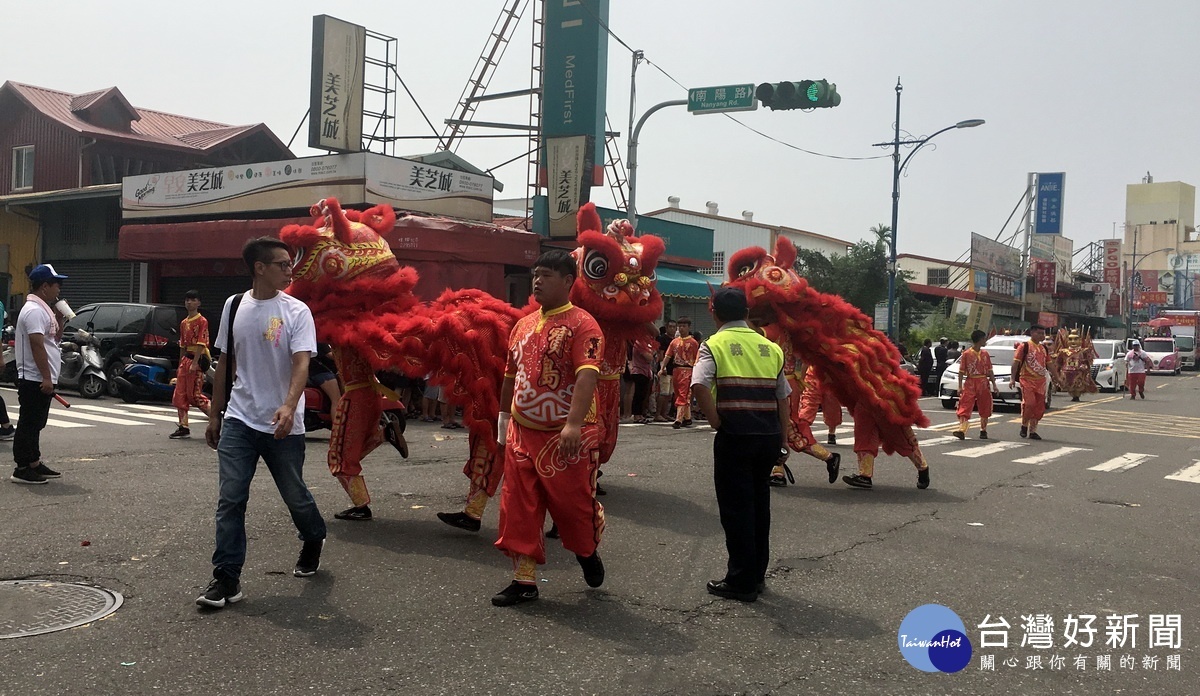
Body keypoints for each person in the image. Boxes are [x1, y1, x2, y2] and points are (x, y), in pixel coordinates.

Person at [196, 237, 326, 609]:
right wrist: (215, 415)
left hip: (283, 423)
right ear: (259, 268)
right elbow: (224, 364)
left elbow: (302, 364)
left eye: (290, 264)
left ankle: (314, 535)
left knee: (295, 497)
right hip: (240, 419)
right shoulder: (234, 305)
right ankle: (226, 578)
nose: (290, 270)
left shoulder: (297, 311)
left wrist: (288, 406)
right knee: (231, 500)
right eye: (283, 264)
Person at [491, 249, 606, 606]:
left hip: (565, 435)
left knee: (572, 508)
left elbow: (587, 375)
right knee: (518, 503)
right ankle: (524, 580)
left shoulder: (584, 324)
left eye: (547, 275)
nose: (537, 281)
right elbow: (511, 376)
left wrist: (573, 424)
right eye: (535, 275)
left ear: (569, 281)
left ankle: (586, 551)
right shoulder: (523, 325)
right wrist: (502, 421)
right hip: (523, 430)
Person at [691, 287, 789, 602]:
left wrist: (715, 420)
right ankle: (757, 574)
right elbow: (782, 395)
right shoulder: (770, 348)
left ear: (714, 312)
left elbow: (699, 384)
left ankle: (741, 580)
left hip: (735, 435)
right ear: (746, 313)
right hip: (768, 436)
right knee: (760, 505)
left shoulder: (713, 345)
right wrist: (783, 439)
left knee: (736, 509)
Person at [10, 264, 68, 484]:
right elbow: (37, 346)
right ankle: (22, 468)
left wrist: (60, 320)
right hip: (33, 378)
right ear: (45, 286)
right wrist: (45, 377)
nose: (59, 290)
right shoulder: (34, 311)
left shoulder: (44, 309)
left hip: (43, 377)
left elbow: (52, 340)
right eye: (57, 285)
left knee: (37, 423)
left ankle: (34, 462)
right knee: (29, 423)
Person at [169, 290, 212, 439]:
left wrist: (194, 363)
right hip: (186, 360)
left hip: (197, 360)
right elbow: (182, 345)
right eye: (187, 300)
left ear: (198, 303)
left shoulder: (202, 321)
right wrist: (181, 362)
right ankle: (183, 426)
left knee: (195, 395)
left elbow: (202, 343)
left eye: (193, 300)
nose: (189, 303)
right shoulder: (184, 323)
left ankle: (216, 419)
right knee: (179, 394)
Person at [1012, 324, 1057, 441]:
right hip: (1027, 379)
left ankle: (1033, 431)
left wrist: (1058, 377)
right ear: (1032, 333)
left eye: (1043, 333)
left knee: (1039, 408)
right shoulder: (1024, 346)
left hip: (1041, 381)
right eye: (1039, 333)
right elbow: (1016, 363)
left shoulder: (1044, 348)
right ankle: (1024, 425)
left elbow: (1050, 364)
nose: (1041, 335)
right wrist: (1012, 378)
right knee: (1030, 403)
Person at [954, 330, 998, 440]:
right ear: (979, 340)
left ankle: (983, 429)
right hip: (970, 382)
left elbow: (990, 370)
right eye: (984, 338)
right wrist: (960, 386)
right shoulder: (967, 354)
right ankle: (962, 430)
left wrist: (994, 384)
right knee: (965, 405)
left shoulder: (985, 354)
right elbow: (961, 371)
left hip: (983, 382)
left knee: (985, 405)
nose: (985, 341)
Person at [660, 317, 700, 428]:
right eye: (680, 326)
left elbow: (697, 358)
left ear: (688, 327)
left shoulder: (693, 343)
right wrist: (662, 367)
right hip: (676, 370)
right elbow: (668, 356)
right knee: (678, 394)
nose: (681, 328)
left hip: (687, 369)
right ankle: (687, 418)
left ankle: (678, 419)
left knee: (683, 394)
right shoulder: (674, 342)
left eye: (684, 326)